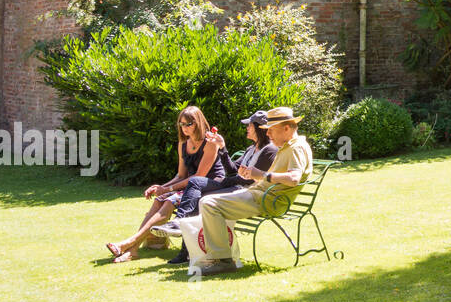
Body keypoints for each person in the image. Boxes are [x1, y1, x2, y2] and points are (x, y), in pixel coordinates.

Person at [196, 106, 313, 275]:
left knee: (209, 203)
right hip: (260, 195)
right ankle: (219, 257)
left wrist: (262, 175)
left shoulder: (296, 148)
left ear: (287, 128)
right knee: (208, 201)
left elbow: (293, 178)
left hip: (267, 201)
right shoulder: (288, 146)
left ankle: (222, 260)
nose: (267, 134)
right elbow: (272, 179)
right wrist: (252, 175)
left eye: (271, 130)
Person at [155, 110, 280, 265]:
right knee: (196, 185)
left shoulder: (269, 150)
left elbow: (249, 180)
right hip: (234, 185)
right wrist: (222, 147)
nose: (247, 128)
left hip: (245, 192)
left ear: (259, 128)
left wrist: (231, 179)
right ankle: (182, 238)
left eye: (250, 125)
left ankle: (181, 232)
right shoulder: (251, 149)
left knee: (198, 191)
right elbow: (233, 170)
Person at [106, 106, 225, 263]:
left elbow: (199, 176)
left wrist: (167, 189)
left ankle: (130, 243)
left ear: (198, 123)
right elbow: (181, 175)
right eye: (181, 124)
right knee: (159, 199)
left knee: (170, 201)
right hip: (191, 186)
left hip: (210, 186)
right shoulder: (183, 144)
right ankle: (133, 250)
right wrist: (160, 187)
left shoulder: (210, 143)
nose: (184, 128)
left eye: (188, 124)